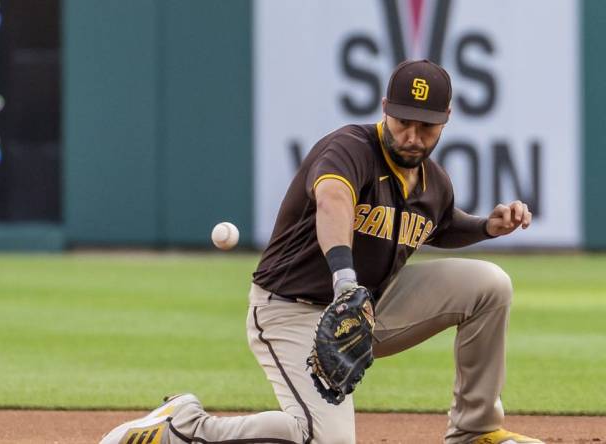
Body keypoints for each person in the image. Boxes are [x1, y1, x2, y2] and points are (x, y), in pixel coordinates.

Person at [100, 60, 542, 444]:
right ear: (384, 108)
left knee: (490, 286)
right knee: (323, 437)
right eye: (402, 121)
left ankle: (474, 430)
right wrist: (345, 280)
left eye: (425, 126)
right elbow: (334, 202)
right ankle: (182, 427)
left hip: (369, 306)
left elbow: (441, 226)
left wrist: (486, 226)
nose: (411, 135)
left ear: (446, 120)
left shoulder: (434, 182)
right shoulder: (349, 149)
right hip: (290, 310)